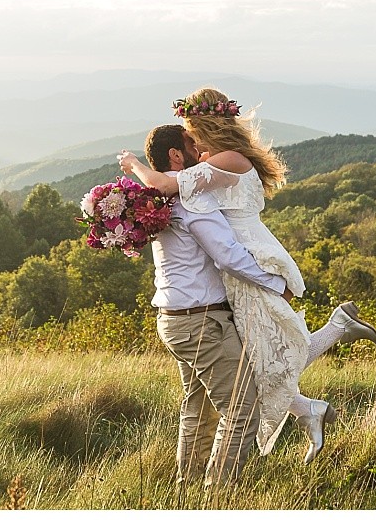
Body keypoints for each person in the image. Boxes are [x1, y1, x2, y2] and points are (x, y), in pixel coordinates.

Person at [122, 92, 376, 463]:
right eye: (189, 139)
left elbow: (167, 186)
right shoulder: (219, 160)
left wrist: (133, 164)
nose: (194, 143)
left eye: (193, 133)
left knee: (269, 351)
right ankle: (313, 403)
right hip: (239, 262)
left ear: (205, 128)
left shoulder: (228, 159)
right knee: (264, 351)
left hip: (250, 258)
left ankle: (332, 348)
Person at [142, 122, 291, 487]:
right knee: (242, 408)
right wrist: (276, 283)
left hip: (173, 320)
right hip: (202, 322)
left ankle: (187, 489)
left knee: (198, 409)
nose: (201, 149)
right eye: (192, 143)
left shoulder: (159, 200)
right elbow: (228, 256)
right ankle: (217, 494)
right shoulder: (191, 199)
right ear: (177, 155)